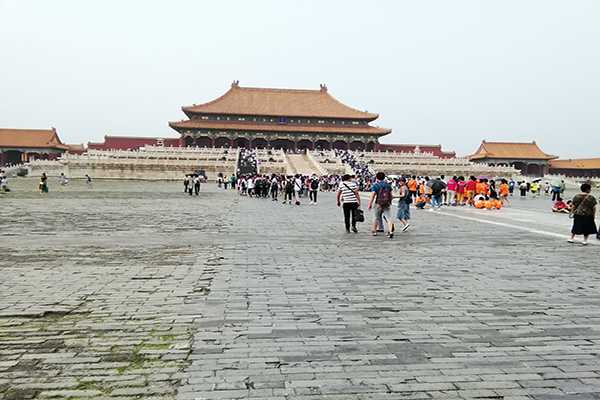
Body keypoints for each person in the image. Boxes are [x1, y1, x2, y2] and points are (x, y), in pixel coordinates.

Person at [368, 172, 394, 238]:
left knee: (376, 217)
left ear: (376, 177)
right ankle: (391, 231)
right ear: (384, 177)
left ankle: (374, 231)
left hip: (378, 203)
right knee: (388, 218)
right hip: (386, 203)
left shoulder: (375, 185)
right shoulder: (388, 185)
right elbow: (391, 195)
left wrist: (370, 204)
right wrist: (390, 202)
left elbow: (373, 195)